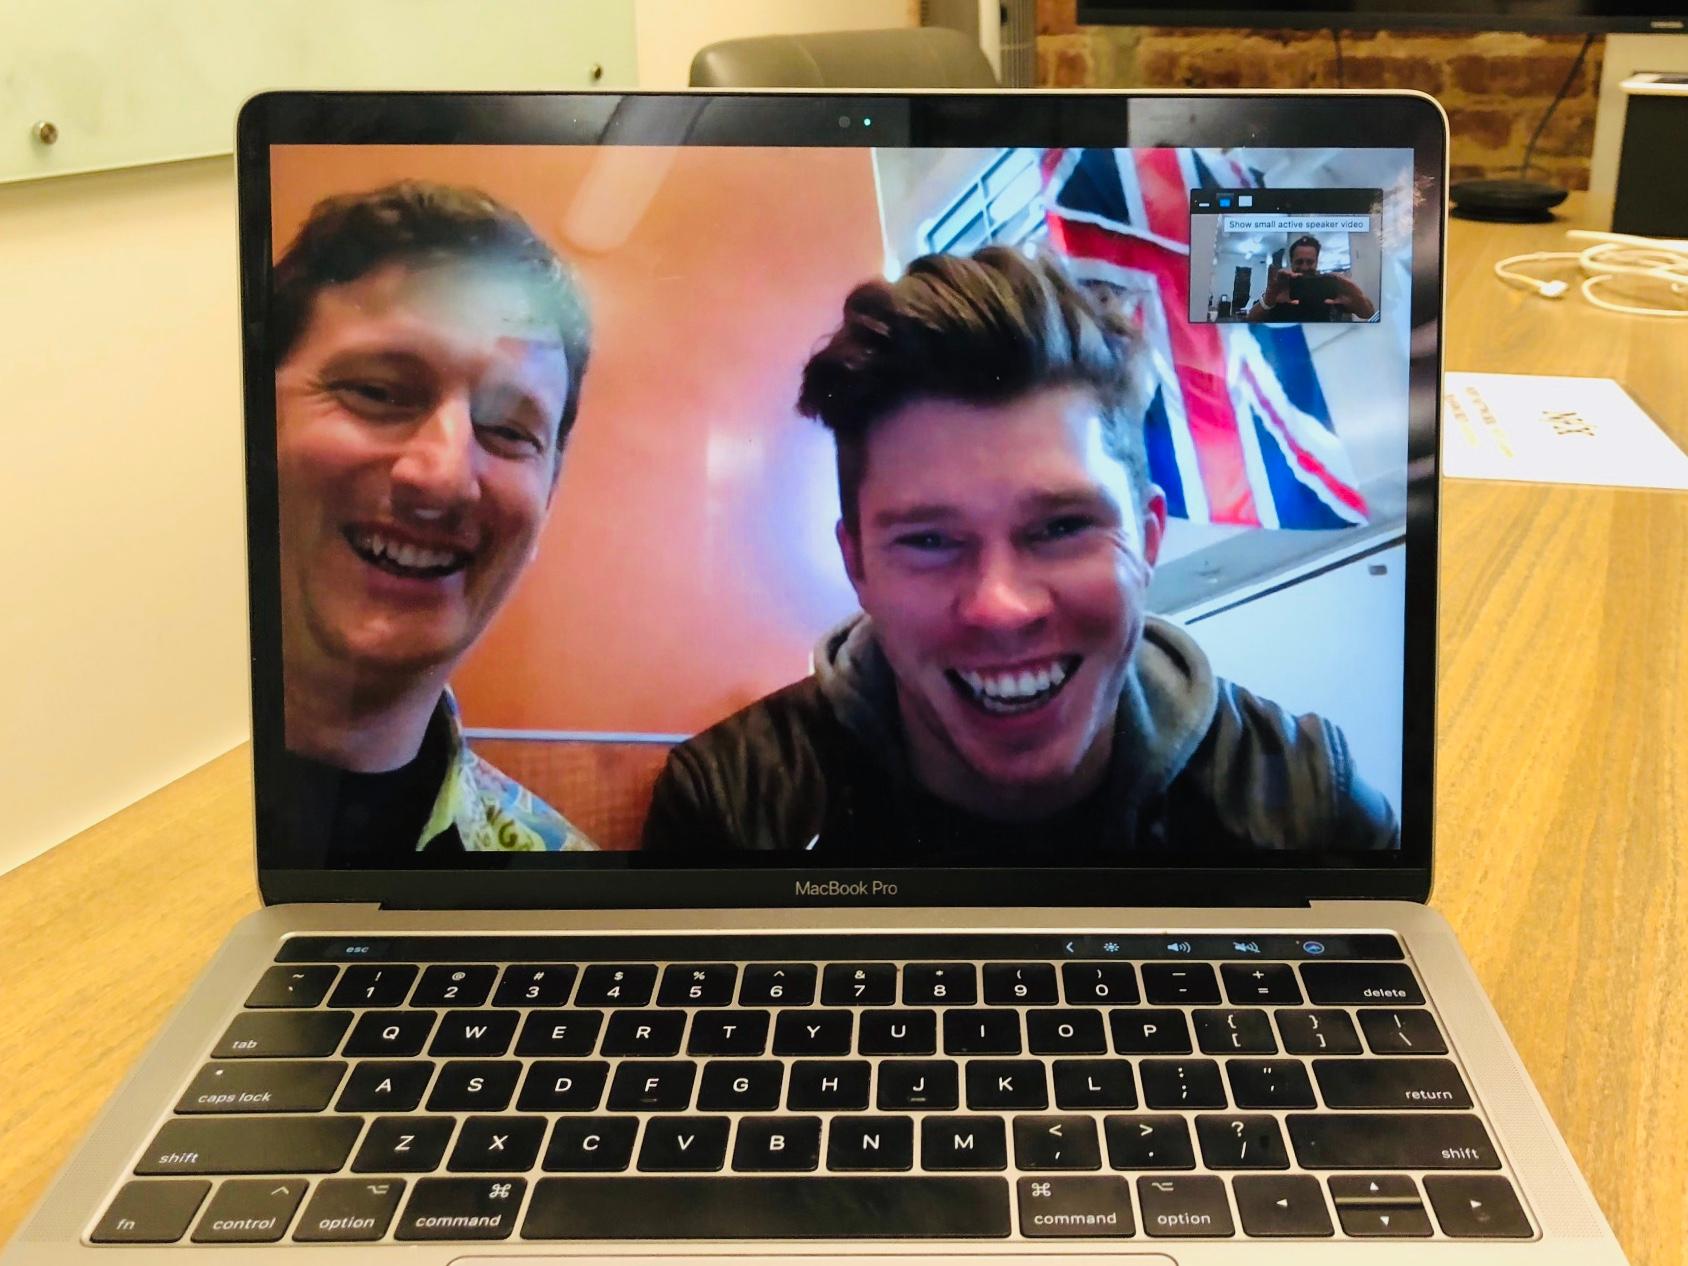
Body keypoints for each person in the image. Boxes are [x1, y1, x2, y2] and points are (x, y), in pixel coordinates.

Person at [641, 247, 1397, 860]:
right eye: (929, 540)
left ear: (1148, 538)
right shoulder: (734, 806)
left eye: (1061, 528)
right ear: (857, 565)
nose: (1000, 608)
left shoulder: (1305, 798)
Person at [272, 181, 597, 858]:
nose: (444, 477)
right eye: (378, 392)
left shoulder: (561, 882)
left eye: (509, 432)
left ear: (550, 499)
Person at [1247, 234, 1377, 323]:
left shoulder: (1327, 285)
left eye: (1310, 262)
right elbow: (1249, 320)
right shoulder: (1282, 286)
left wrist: (1355, 294)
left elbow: (1368, 313)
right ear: (1291, 262)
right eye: (1299, 262)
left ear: (1317, 262)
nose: (1304, 267)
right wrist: (1269, 300)